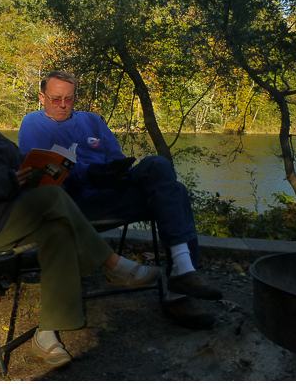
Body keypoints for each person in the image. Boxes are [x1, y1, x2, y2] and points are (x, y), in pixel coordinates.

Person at [0, 72, 160, 368]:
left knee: (58, 229)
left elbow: (19, 163)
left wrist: (39, 171)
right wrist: (7, 180)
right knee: (52, 198)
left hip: (3, 217)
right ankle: (112, 265)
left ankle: (47, 334)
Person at [18, 70, 222, 330]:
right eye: (56, 99)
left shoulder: (92, 121)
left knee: (159, 168)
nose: (63, 105)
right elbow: (44, 172)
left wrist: (116, 169)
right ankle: (179, 289)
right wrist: (89, 173)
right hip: (77, 203)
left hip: (113, 190)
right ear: (42, 97)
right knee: (177, 193)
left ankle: (183, 272)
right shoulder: (33, 124)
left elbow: (115, 155)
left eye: (69, 99)